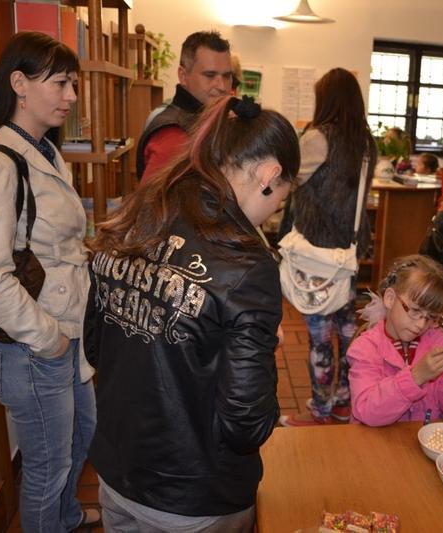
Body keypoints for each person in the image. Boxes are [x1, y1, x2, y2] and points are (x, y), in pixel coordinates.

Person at [84, 95, 298, 532]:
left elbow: (96, 344)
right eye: (279, 200)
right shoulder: (246, 263)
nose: (268, 215)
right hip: (193, 497)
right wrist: (257, 353)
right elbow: (245, 424)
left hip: (118, 470)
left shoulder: (141, 210)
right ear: (269, 175)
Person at [0, 32, 97, 532]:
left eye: (72, 84)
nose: (71, 96)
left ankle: (66, 517)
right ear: (19, 83)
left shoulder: (41, 150)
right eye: (60, 83)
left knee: (83, 434)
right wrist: (49, 338)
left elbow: (51, 242)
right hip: (32, 344)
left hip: (63, 331)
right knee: (47, 467)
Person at [278, 68, 377, 426]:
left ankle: (319, 409)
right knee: (347, 329)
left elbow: (289, 180)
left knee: (320, 337)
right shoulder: (366, 143)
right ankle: (344, 401)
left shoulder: (318, 137)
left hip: (316, 253)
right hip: (348, 252)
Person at [348, 255, 443, 426]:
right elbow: (367, 412)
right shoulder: (365, 348)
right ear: (390, 299)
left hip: (423, 439)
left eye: (431, 317)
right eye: (415, 311)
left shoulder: (441, 344)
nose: (421, 324)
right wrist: (416, 377)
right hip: (374, 440)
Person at [137, 30, 232, 182]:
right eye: (210, 75)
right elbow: (151, 197)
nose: (222, 86)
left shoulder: (210, 120)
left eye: (227, 76)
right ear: (183, 76)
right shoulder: (174, 135)